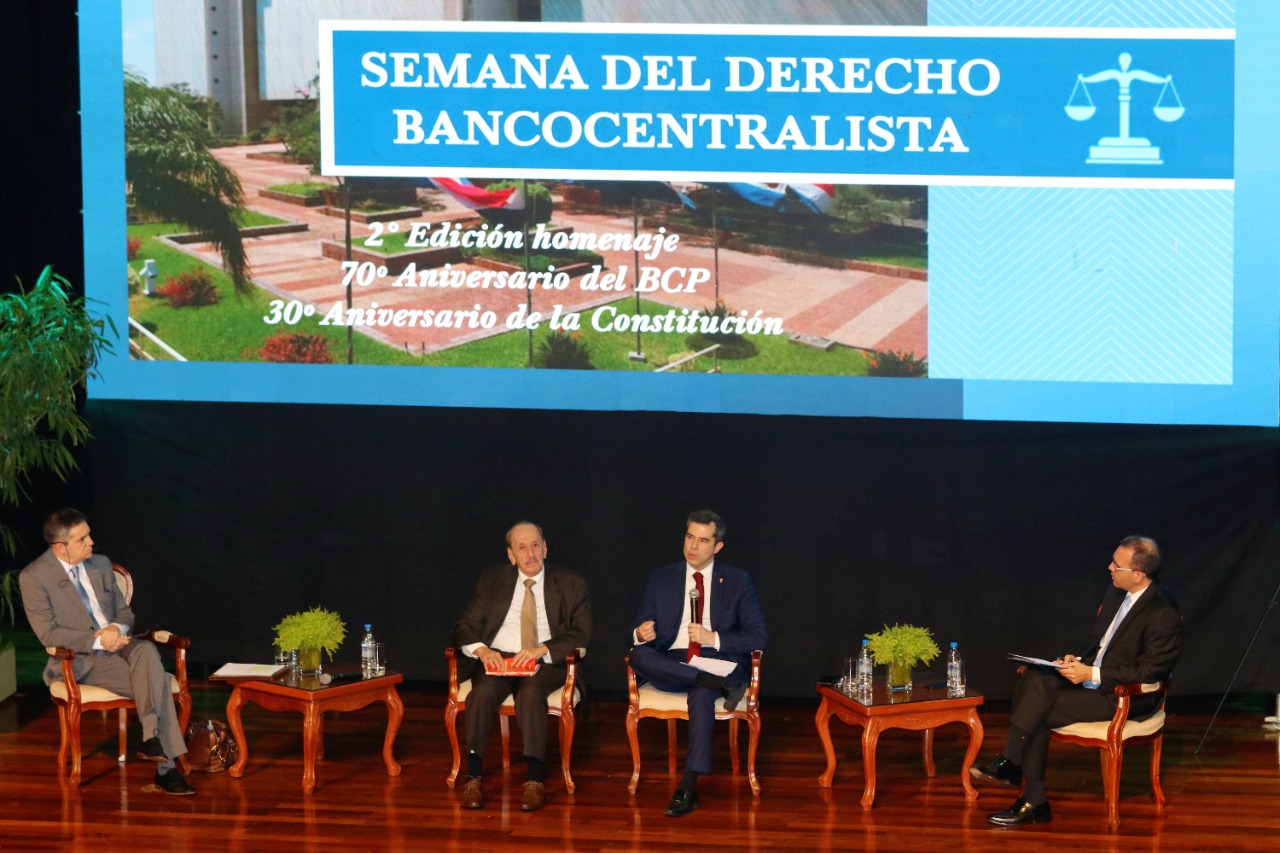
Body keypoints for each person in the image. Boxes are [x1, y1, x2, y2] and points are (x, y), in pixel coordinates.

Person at [971, 535, 1181, 826]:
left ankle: (1028, 791)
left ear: (1138, 574)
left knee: (1037, 712)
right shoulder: (1115, 592)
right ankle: (1014, 770)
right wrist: (1078, 660)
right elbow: (1099, 643)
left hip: (1126, 695)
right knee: (1035, 676)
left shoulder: (1163, 612)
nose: (1109, 568)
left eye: (1116, 566)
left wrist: (1092, 674)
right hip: (1094, 679)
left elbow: (1150, 672)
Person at [19, 509, 195, 795]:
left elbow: (125, 613)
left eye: (89, 534)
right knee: (159, 682)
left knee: (147, 650)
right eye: (83, 538)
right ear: (60, 547)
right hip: (81, 659)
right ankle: (167, 769)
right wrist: (101, 641)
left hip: (122, 646)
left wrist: (115, 628)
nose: (91, 542)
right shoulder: (34, 577)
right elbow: (48, 634)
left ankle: (152, 738)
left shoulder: (99, 564)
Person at [629, 509, 767, 817]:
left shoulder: (737, 581)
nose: (693, 546)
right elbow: (640, 624)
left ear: (717, 546)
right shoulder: (662, 578)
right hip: (673, 662)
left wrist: (713, 637)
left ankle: (687, 788)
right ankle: (714, 683)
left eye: (703, 540)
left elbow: (758, 636)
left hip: (715, 660)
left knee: (702, 693)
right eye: (690, 537)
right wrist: (640, 632)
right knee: (638, 653)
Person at [451, 521, 591, 812]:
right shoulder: (492, 581)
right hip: (499, 657)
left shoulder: (570, 584)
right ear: (511, 555)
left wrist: (543, 649)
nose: (531, 554)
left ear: (546, 548)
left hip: (543, 660)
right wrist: (482, 650)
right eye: (522, 548)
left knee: (530, 694)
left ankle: (534, 778)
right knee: (482, 693)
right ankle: (473, 775)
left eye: (536, 545)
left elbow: (581, 632)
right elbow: (464, 626)